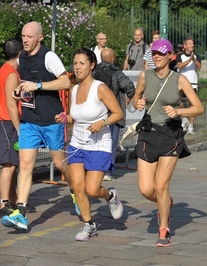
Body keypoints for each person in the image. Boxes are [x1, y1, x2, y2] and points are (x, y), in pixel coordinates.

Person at [1, 21, 76, 231]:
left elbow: (65, 82)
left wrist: (39, 86)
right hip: (29, 120)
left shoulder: (49, 57)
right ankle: (21, 214)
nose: (25, 40)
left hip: (51, 119)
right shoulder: (21, 58)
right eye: (23, 36)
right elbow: (23, 81)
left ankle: (75, 189)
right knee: (25, 166)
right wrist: (19, 90)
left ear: (40, 37)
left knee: (60, 164)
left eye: (30, 36)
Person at [132, 39, 203, 247]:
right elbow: (134, 100)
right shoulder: (146, 76)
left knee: (161, 186)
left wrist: (179, 111)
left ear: (171, 56)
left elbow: (198, 108)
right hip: (148, 134)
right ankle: (165, 204)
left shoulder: (179, 79)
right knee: (146, 189)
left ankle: (164, 229)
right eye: (154, 53)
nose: (156, 57)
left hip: (170, 135)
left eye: (161, 54)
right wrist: (138, 102)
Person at [55, 48, 124, 241]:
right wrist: (64, 118)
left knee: (92, 190)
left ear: (91, 65)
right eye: (75, 63)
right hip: (77, 144)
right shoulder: (74, 89)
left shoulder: (100, 88)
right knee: (78, 187)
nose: (77, 67)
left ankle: (110, 196)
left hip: (98, 145)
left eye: (82, 63)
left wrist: (102, 123)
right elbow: (76, 117)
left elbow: (118, 113)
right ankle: (89, 225)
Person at [92, 48, 135, 181]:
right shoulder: (117, 73)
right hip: (113, 114)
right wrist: (127, 101)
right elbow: (130, 88)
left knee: (94, 142)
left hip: (95, 113)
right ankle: (108, 172)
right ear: (112, 59)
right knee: (111, 142)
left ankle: (94, 170)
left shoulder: (93, 72)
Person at [0, 39, 21, 217]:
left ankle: (13, 200)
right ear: (20, 53)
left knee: (13, 163)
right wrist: (19, 127)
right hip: (7, 121)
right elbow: (11, 104)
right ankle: (4, 203)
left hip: (4, 122)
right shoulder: (11, 73)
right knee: (9, 164)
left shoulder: (3, 70)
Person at [176, 37, 202, 135]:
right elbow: (179, 66)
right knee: (180, 103)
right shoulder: (180, 56)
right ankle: (183, 119)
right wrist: (188, 61)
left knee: (192, 105)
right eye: (190, 43)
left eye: (193, 43)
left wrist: (193, 60)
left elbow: (199, 67)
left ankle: (191, 125)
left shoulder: (196, 56)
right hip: (182, 84)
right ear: (185, 46)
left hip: (193, 84)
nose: (192, 45)